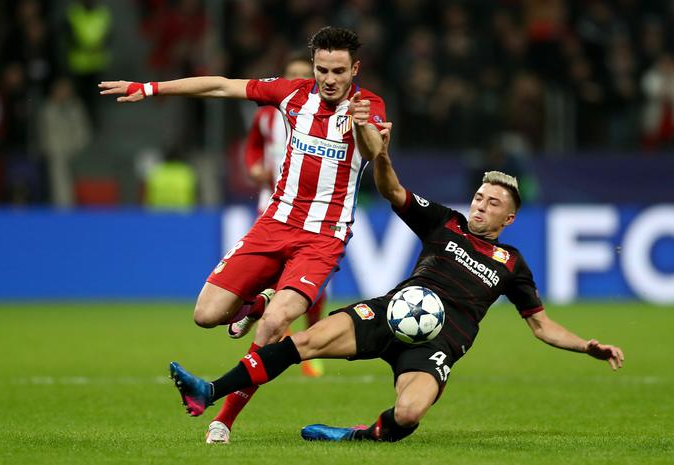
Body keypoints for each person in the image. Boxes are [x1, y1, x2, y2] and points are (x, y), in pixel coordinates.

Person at [168, 123, 624, 443]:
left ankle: (362, 436)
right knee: (302, 341)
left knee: (409, 413)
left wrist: (587, 346)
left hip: (437, 344)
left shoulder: (513, 264)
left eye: (493, 203)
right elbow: (393, 192)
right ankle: (211, 390)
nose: (481, 206)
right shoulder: (445, 222)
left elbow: (541, 326)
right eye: (479, 197)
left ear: (510, 216)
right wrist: (381, 156)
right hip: (390, 313)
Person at [100, 26, 386, 443]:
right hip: (274, 224)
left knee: (275, 325)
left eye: (338, 71)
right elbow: (220, 85)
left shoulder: (369, 105)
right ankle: (255, 300)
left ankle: (224, 419)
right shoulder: (292, 94)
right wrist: (150, 87)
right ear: (313, 67)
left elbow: (376, 152)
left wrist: (363, 125)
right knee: (207, 315)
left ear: (354, 69)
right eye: (322, 69)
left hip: (323, 237)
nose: (329, 79)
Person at [241, 52, 327, 380]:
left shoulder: (324, 118)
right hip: (272, 205)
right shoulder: (266, 117)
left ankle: (311, 339)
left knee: (311, 284)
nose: (298, 81)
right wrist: (253, 166)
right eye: (292, 75)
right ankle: (278, 331)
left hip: (313, 212)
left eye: (303, 75)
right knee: (273, 275)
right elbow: (252, 147)